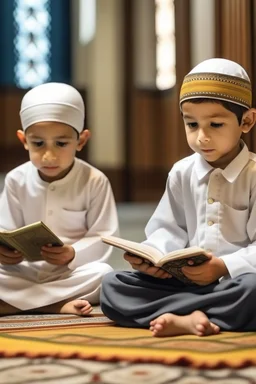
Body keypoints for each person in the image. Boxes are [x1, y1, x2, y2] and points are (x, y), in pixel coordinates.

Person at [100, 58, 256, 337]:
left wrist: (221, 266)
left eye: (216, 125)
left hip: (236, 281)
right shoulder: (181, 172)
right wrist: (152, 259)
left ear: (246, 121)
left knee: (252, 291)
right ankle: (198, 315)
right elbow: (167, 229)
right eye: (192, 124)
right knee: (113, 285)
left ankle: (179, 315)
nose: (201, 137)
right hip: (185, 283)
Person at [0, 82, 119, 316]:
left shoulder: (94, 180)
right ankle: (55, 305)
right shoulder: (16, 179)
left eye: (61, 143)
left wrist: (73, 253)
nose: (49, 155)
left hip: (70, 272)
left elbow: (105, 236)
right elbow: (5, 228)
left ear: (81, 141)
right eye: (38, 143)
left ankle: (13, 305)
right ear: (24, 140)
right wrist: (5, 252)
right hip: (23, 270)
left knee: (105, 275)